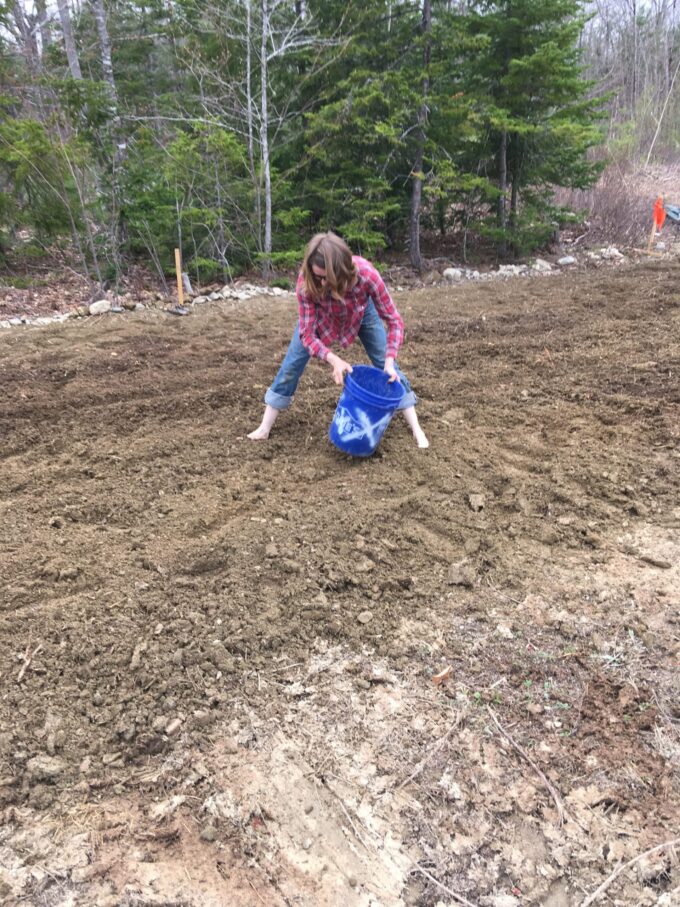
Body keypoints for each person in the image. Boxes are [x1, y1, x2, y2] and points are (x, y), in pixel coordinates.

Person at [248, 232, 429, 449]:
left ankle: (417, 428)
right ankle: (264, 428)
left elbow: (394, 321)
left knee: (387, 366)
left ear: (342, 271)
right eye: (318, 277)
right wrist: (333, 359)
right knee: (291, 364)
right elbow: (306, 334)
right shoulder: (307, 282)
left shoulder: (367, 275)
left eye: (327, 278)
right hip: (322, 318)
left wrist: (389, 360)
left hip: (361, 313)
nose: (322, 282)